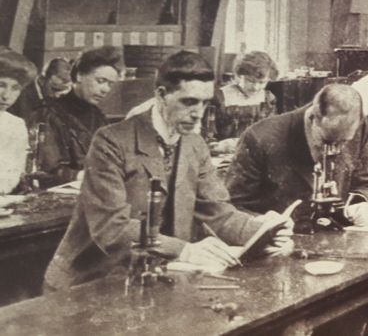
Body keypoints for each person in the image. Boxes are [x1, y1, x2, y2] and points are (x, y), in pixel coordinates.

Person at [43, 51, 293, 291]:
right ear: (161, 95)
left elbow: (219, 212)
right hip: (89, 280)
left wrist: (262, 233)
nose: (198, 114)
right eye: (188, 102)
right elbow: (111, 228)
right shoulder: (111, 141)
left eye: (205, 103)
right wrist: (185, 250)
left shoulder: (195, 145)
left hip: (153, 274)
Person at [226, 84, 368, 225]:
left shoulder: (358, 128)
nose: (336, 150)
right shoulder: (260, 138)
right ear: (313, 117)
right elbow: (232, 207)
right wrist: (263, 224)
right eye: (328, 141)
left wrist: (363, 203)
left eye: (344, 142)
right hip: (282, 243)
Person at [31, 46, 123, 186]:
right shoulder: (48, 113)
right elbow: (45, 171)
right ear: (79, 75)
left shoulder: (98, 117)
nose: (105, 89)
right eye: (100, 81)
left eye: (110, 84)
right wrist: (84, 175)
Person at [208, 51, 279, 148]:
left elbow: (270, 132)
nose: (255, 87)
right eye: (250, 81)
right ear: (238, 75)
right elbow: (208, 135)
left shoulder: (268, 100)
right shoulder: (219, 97)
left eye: (262, 82)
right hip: (222, 153)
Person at [0, 51, 38, 194]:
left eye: (15, 88)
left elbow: (13, 175)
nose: (6, 95)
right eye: (1, 85)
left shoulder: (15, 125)